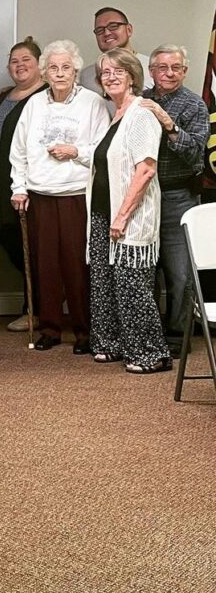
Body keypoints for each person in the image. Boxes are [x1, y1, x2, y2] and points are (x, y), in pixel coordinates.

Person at [9, 40, 110, 354]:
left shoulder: (92, 103)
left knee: (78, 266)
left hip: (76, 196)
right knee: (46, 266)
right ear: (45, 72)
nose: (60, 73)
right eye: (53, 67)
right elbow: (19, 152)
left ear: (76, 69)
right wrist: (19, 187)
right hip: (41, 195)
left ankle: (83, 332)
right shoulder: (35, 104)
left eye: (66, 67)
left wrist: (75, 151)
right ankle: (50, 328)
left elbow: (104, 150)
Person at [85, 48, 169, 374]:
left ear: (133, 76)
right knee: (104, 282)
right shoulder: (115, 115)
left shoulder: (141, 114)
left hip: (130, 217)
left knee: (132, 285)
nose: (111, 76)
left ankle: (151, 353)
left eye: (118, 71)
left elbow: (146, 170)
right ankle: (112, 343)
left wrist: (122, 215)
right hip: (103, 214)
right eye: (106, 72)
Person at [140, 45, 209, 354]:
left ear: (185, 71)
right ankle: (149, 334)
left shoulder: (195, 104)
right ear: (152, 71)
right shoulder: (139, 101)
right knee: (144, 270)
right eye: (162, 67)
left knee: (180, 274)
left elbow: (196, 153)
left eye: (176, 68)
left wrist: (168, 125)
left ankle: (178, 336)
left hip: (177, 196)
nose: (169, 73)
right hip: (141, 196)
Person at [0, 37, 49, 333]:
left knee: (32, 250)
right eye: (14, 61)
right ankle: (36, 306)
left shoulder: (46, 97)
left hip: (24, 188)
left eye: (26, 60)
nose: (20, 65)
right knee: (11, 245)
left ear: (41, 65)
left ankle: (36, 310)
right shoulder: (3, 97)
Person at [80, 8, 152, 97]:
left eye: (113, 26)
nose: (106, 33)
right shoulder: (86, 76)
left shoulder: (153, 67)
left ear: (129, 30)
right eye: (99, 30)